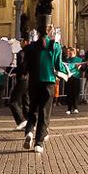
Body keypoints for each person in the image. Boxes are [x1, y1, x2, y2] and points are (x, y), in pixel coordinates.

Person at [23, 20, 65, 154]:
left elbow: (25, 67)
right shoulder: (55, 46)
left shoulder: (31, 47)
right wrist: (68, 70)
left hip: (34, 82)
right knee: (44, 113)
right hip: (48, 81)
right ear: (49, 31)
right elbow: (58, 66)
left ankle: (29, 132)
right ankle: (38, 143)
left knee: (33, 110)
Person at [7, 37, 29, 129]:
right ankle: (29, 123)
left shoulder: (22, 53)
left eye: (21, 41)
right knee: (26, 100)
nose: (20, 43)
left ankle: (21, 120)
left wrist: (11, 70)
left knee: (13, 101)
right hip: (29, 79)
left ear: (25, 42)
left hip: (23, 79)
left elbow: (22, 67)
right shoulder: (33, 52)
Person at [64, 46, 84, 114]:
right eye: (68, 52)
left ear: (74, 52)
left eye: (70, 52)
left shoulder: (79, 59)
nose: (69, 53)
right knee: (69, 93)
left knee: (75, 93)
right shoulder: (67, 60)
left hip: (76, 77)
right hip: (69, 78)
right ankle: (69, 108)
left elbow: (83, 68)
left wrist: (82, 66)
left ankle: (75, 107)